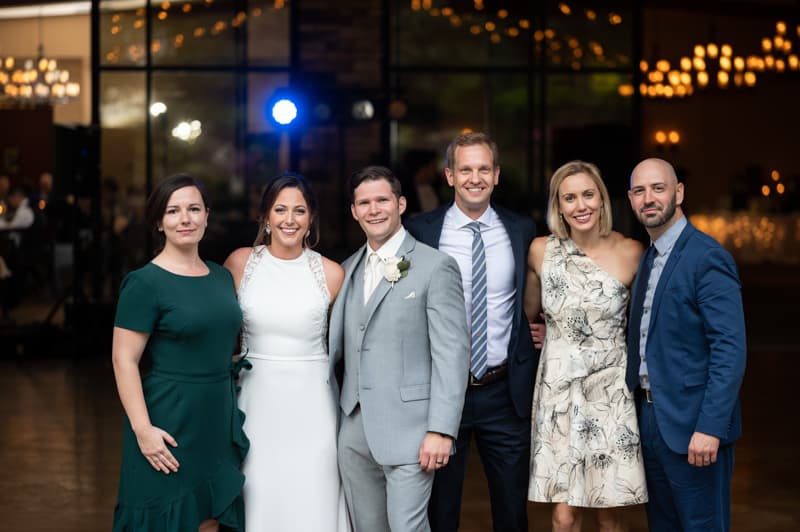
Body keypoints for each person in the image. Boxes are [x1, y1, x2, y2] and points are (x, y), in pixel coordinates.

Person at [406, 132, 538, 532]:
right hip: (442, 395)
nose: (474, 177)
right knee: (441, 513)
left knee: (512, 514)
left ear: (496, 175)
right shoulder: (419, 231)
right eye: (466, 169)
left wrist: (548, 328)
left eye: (484, 169)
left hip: (504, 391)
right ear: (449, 175)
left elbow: (545, 289)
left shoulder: (523, 231)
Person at [330, 165, 470, 532]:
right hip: (355, 432)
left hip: (413, 432)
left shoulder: (435, 266)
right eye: (365, 202)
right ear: (354, 211)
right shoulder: (346, 270)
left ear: (401, 204)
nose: (374, 209)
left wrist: (442, 429)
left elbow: (451, 354)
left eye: (382, 200)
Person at [111, 173, 248, 532]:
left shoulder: (221, 277)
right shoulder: (145, 283)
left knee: (207, 519)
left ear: (207, 215)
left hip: (216, 417)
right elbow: (123, 360)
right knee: (163, 516)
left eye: (193, 209)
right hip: (167, 418)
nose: (185, 219)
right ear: (159, 222)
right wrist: (143, 430)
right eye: (173, 211)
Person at [525, 160, 647, 531]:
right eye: (570, 198)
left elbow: (645, 326)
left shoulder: (632, 251)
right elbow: (526, 316)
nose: (581, 206)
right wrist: (549, 334)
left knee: (609, 512)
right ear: (558, 206)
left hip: (609, 391)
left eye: (588, 195)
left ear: (602, 200)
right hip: (558, 391)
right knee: (564, 514)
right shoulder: (540, 251)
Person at [223, 173, 349, 531]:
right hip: (255, 400)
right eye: (280, 209)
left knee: (312, 491)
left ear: (311, 219)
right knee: (260, 492)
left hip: (312, 404)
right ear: (265, 216)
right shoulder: (239, 263)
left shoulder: (332, 273)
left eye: (299, 211)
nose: (289, 220)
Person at [626, 158, 746, 532]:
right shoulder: (649, 256)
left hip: (695, 427)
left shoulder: (706, 257)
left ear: (679, 193)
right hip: (651, 420)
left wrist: (710, 427)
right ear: (630, 199)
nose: (649, 198)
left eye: (658, 188)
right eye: (640, 191)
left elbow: (730, 349)